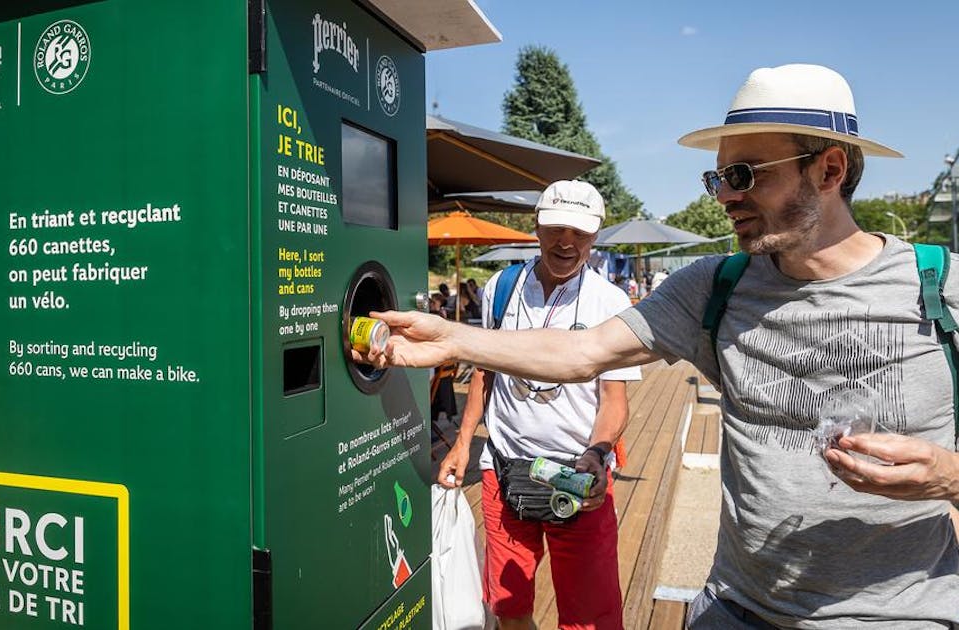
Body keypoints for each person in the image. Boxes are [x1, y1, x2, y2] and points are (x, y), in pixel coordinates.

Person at [357, 64, 959, 627]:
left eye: (744, 175)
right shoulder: (714, 288)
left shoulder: (943, 288)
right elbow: (581, 354)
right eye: (718, 177)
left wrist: (949, 477)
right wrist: (453, 338)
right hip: (737, 608)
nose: (723, 196)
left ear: (829, 170)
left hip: (902, 612)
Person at [438, 180, 640, 630]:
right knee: (509, 608)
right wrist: (463, 442)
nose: (566, 242)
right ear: (536, 227)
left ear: (595, 236)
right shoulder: (502, 286)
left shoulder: (610, 301)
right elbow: (484, 373)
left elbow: (614, 400)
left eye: (580, 232)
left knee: (590, 617)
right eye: (556, 228)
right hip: (503, 469)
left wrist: (597, 454)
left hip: (577, 476)